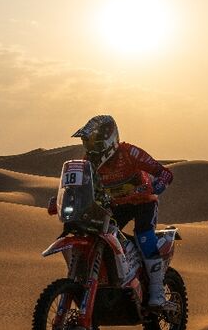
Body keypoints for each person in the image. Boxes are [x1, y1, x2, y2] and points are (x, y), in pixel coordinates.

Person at [51, 115, 174, 306]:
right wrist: (62, 199)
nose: (91, 148)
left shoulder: (129, 152)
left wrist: (155, 187)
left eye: (95, 143)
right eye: (87, 143)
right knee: (94, 232)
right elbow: (78, 187)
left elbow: (165, 173)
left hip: (142, 201)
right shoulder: (89, 162)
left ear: (108, 141)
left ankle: (157, 291)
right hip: (115, 205)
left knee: (144, 236)